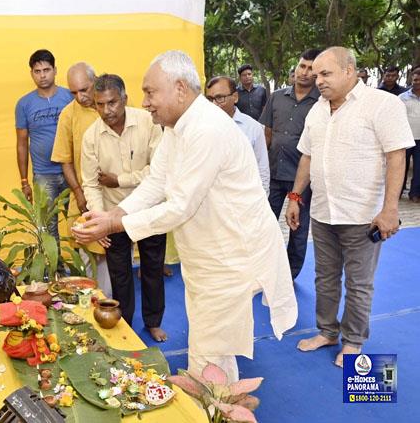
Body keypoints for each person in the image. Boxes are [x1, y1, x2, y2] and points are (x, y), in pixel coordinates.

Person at [73, 51, 297, 381]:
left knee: (209, 349)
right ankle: (217, 397)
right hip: (208, 252)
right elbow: (156, 182)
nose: (145, 102)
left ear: (179, 89)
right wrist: (116, 212)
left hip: (231, 254)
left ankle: (213, 404)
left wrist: (114, 223)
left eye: (150, 92)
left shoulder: (206, 129)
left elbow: (179, 206)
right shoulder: (177, 127)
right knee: (212, 344)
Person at [286, 47, 414, 367]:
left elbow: (396, 155)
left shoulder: (381, 104)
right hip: (323, 212)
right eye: (316, 75)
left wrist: (389, 210)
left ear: (350, 71)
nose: (318, 81)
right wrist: (295, 197)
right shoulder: (317, 109)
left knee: (358, 283)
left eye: (325, 74)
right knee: (324, 277)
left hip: (363, 215)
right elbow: (307, 156)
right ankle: (327, 331)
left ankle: (353, 341)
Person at [80, 74, 167, 342]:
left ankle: (153, 322)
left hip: (149, 209)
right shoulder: (91, 136)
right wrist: (99, 220)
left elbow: (159, 172)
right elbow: (91, 183)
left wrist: (122, 179)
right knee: (120, 276)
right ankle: (125, 325)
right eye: (100, 104)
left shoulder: (149, 122)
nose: (107, 110)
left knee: (152, 268)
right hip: (112, 214)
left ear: (125, 99)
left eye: (113, 103)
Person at [259, 48, 322, 280]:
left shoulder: (322, 104)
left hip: (302, 178)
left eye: (311, 69)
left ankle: (289, 274)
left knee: (298, 228)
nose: (304, 72)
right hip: (274, 174)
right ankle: (262, 268)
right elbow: (267, 135)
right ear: (295, 68)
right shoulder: (276, 97)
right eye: (302, 66)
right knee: (265, 224)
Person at [50, 62, 112, 296]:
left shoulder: (112, 104)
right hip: (86, 195)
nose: (80, 96)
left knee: (115, 254)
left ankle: (111, 304)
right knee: (89, 252)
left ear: (95, 80)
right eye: (74, 92)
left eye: (84, 89)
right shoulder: (68, 114)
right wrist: (77, 191)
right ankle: (94, 301)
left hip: (118, 193)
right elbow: (65, 159)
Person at [15, 49, 73, 261]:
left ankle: (81, 273)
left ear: (55, 70)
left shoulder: (70, 96)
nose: (43, 75)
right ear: (32, 73)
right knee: (48, 229)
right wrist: (24, 181)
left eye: (46, 69)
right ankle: (55, 272)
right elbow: (22, 143)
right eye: (37, 71)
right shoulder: (24, 104)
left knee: (78, 221)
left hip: (72, 172)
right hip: (43, 175)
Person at [206, 76, 270, 195]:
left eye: (219, 98)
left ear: (235, 97)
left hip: (244, 201)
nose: (214, 104)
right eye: (210, 99)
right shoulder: (202, 127)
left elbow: (262, 169)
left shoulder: (253, 128)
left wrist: (262, 199)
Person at [399, 68, 420, 202]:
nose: (417, 82)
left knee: (419, 168)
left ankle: (415, 193)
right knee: (401, 167)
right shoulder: (402, 98)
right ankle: (398, 192)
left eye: (419, 80)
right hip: (404, 138)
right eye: (415, 80)